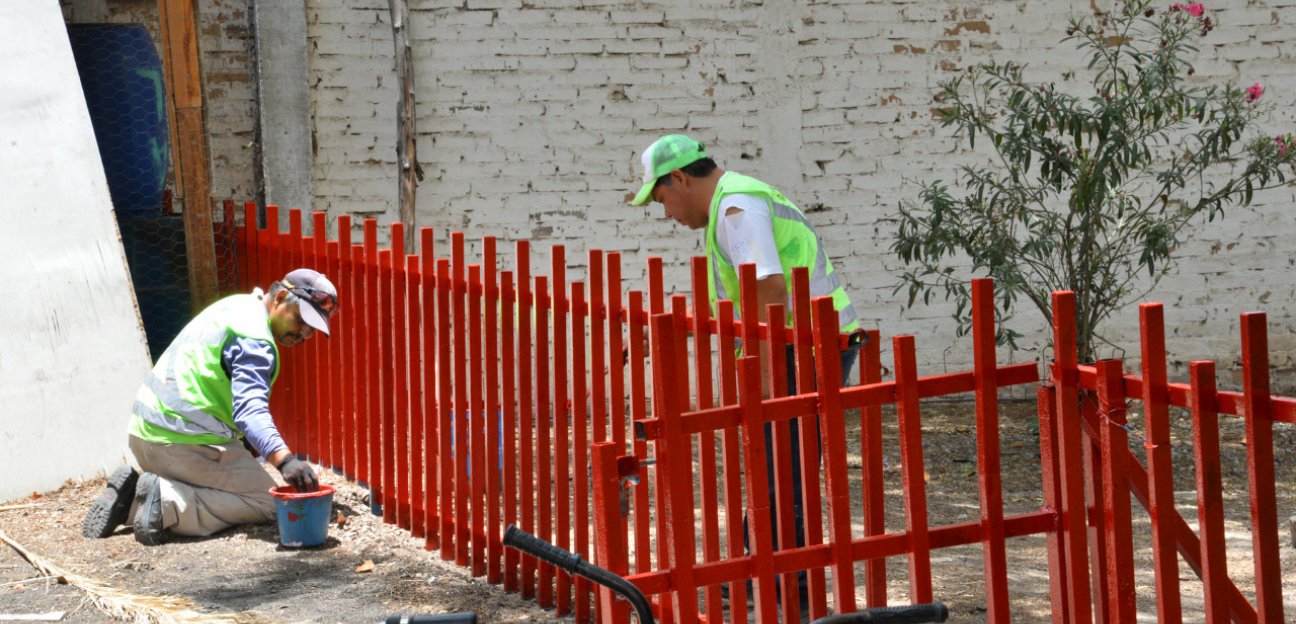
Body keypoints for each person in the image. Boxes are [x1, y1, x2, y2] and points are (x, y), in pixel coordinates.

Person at [629, 134, 865, 611]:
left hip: (803, 346)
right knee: (775, 462)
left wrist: (756, 364)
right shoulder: (738, 201)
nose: (667, 214)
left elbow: (770, 287)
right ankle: (752, 567)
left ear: (679, 178)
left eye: (662, 200)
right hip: (802, 342)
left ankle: (790, 587)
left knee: (787, 464)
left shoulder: (737, 207)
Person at [81, 268, 337, 546]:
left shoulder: (237, 305)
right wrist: (286, 461)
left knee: (231, 479)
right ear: (282, 297)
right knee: (266, 501)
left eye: (312, 328)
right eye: (301, 320)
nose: (305, 333)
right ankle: (165, 504)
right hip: (182, 444)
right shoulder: (255, 342)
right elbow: (249, 409)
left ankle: (134, 496)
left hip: (144, 436)